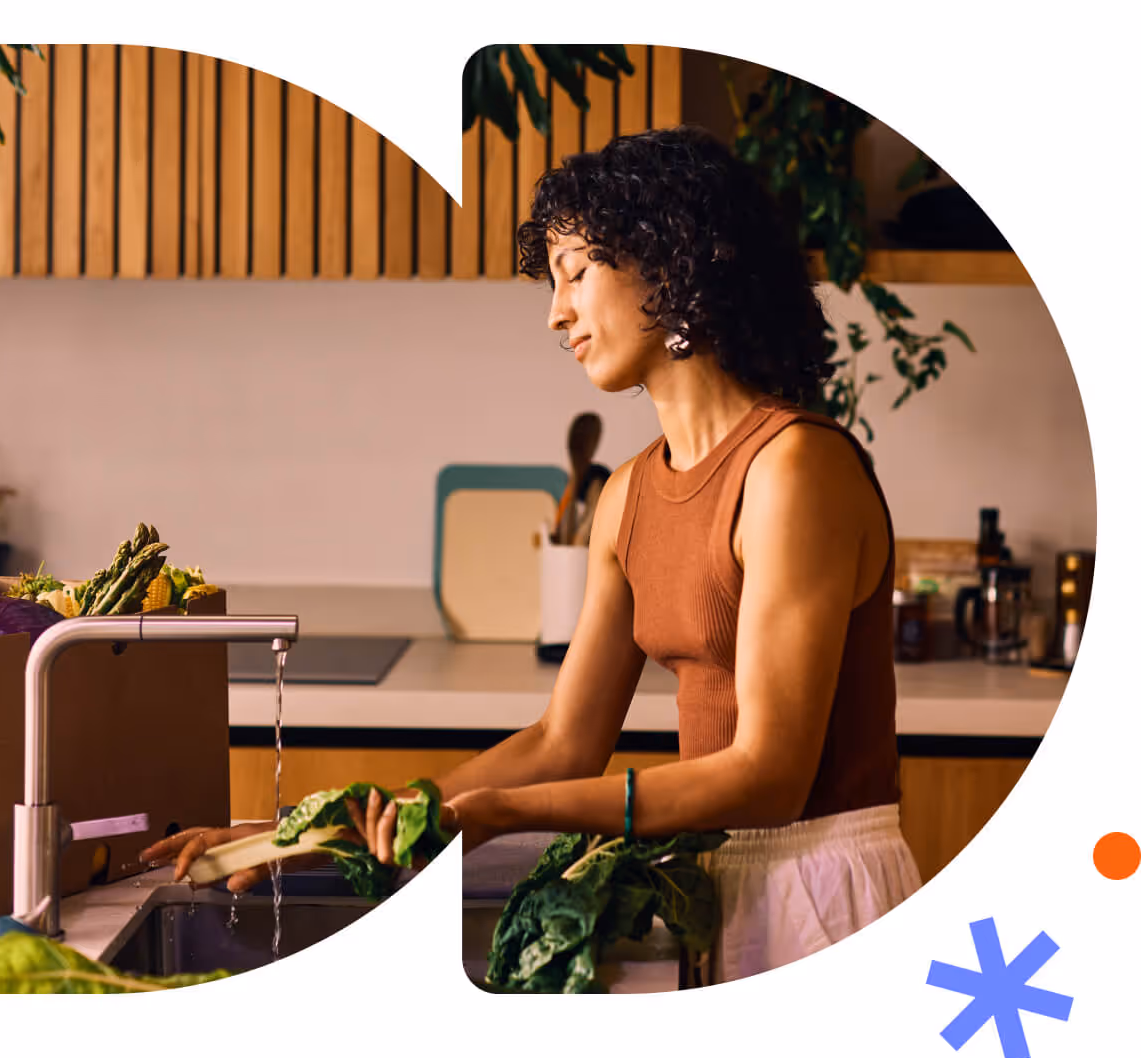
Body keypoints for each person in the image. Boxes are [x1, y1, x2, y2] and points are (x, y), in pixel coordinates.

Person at [142, 125, 922, 985]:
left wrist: (505, 812)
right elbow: (562, 742)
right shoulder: (626, 496)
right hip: (693, 882)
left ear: (674, 259)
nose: (557, 313)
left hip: (818, 890)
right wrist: (298, 834)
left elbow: (770, 775)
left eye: (577, 273)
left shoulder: (795, 468)